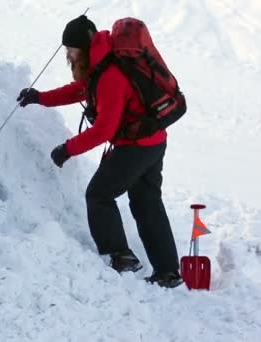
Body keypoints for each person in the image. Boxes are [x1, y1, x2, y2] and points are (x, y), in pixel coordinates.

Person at [17, 15, 183, 288]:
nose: (68, 56)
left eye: (71, 50)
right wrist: (41, 97)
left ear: (83, 47)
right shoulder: (103, 61)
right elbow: (80, 90)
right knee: (146, 203)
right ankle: (167, 272)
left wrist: (67, 149)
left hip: (137, 147)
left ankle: (121, 256)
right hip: (153, 141)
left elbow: (104, 130)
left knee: (99, 194)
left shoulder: (110, 75)